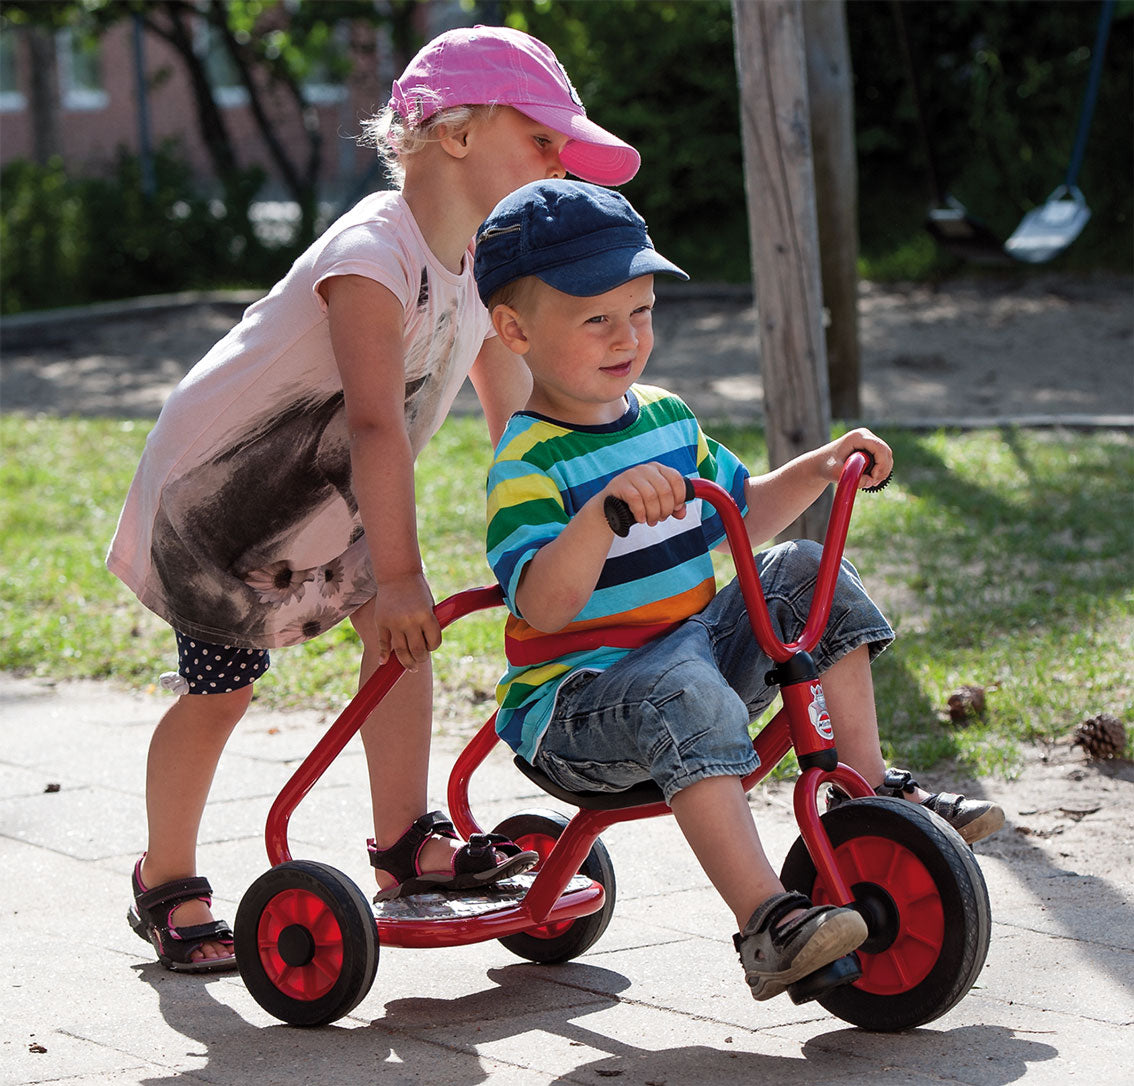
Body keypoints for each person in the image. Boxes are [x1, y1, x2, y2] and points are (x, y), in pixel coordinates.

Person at [107, 27, 642, 973]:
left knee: (407, 637)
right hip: (226, 496)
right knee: (223, 690)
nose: (560, 165)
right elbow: (374, 427)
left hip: (334, 488)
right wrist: (396, 571)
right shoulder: (370, 252)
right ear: (457, 134)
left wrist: (567, 522)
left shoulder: (487, 262)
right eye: (545, 141)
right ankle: (168, 878)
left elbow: (519, 414)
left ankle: (405, 843)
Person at [475, 179, 1005, 1001]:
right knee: (680, 690)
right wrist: (600, 518)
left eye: (641, 311)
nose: (628, 338)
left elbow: (741, 514)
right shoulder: (527, 463)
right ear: (514, 330)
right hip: (576, 706)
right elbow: (539, 605)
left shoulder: (666, 418)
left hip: (684, 659)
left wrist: (820, 466)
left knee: (798, 570)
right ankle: (768, 921)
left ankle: (868, 798)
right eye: (596, 319)